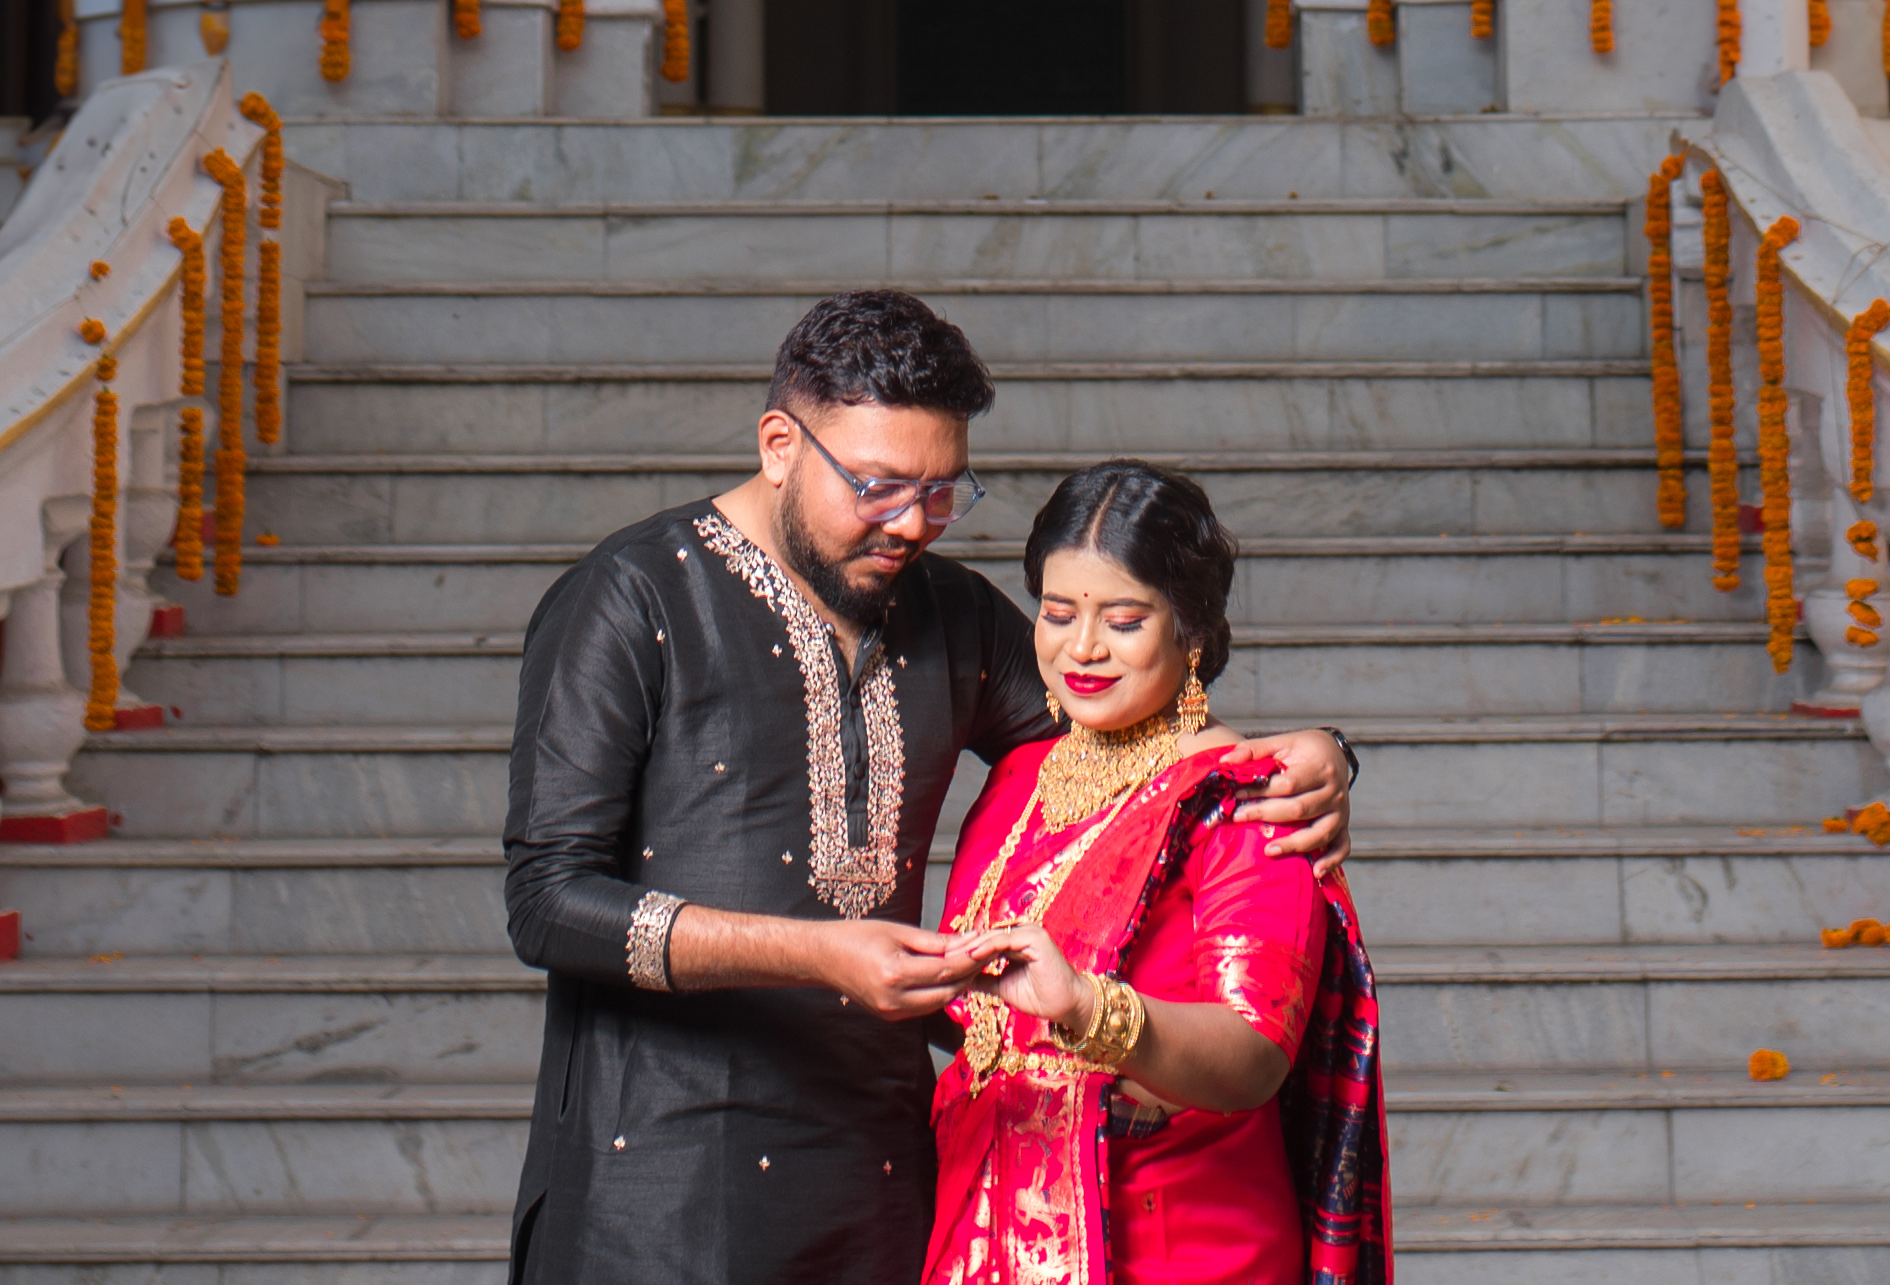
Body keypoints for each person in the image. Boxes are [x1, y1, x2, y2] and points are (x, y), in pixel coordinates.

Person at [500, 293, 1357, 1285]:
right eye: (877, 485)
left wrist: (1314, 750)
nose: (911, 523)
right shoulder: (633, 597)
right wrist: (818, 953)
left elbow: (1138, 741)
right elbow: (548, 903)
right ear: (781, 443)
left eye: (944, 491)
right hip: (660, 1178)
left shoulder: (949, 613)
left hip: (885, 1177)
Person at [927, 464, 1389, 1285]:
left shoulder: (1244, 799)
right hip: (987, 1226)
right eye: (1059, 612)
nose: (1083, 647)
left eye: (1125, 619)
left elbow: (1253, 1057)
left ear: (1193, 631)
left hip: (1173, 1241)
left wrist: (1089, 1009)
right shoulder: (1016, 781)